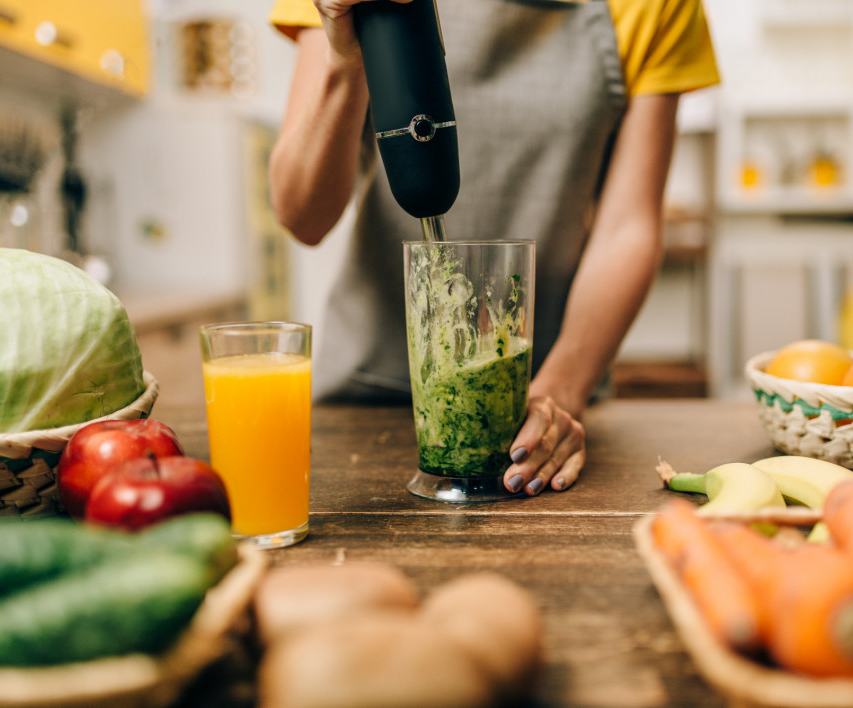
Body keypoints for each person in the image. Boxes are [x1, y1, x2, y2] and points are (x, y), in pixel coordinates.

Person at [268, 0, 719, 496]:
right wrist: (346, 60)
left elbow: (627, 226)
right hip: (360, 402)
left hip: (536, 409)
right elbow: (301, 217)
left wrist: (561, 392)